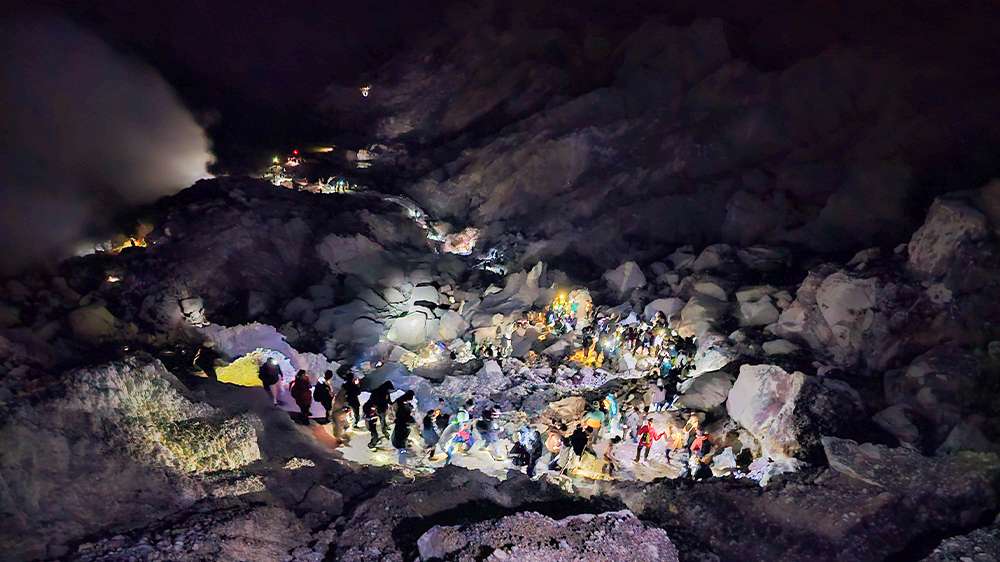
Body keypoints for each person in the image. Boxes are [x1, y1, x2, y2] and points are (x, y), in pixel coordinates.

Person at [391, 391, 416, 465]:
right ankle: (402, 463)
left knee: (402, 437)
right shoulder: (400, 403)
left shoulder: (403, 403)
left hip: (402, 423)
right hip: (401, 424)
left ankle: (403, 458)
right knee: (401, 443)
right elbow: (396, 410)